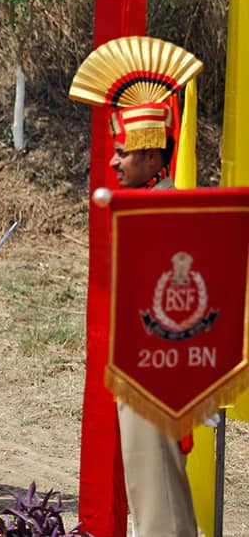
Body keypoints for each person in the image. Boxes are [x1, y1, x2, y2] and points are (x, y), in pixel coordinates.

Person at [69, 36, 199, 537]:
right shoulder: (146, 206)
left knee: (160, 499)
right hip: (141, 370)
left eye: (123, 152)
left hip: (157, 376)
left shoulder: (168, 210)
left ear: (151, 155)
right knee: (153, 495)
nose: (114, 162)